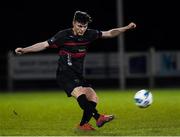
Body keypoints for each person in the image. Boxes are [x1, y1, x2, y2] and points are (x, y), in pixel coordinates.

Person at [15, 11, 136, 131]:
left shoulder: (89, 34)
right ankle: (98, 117)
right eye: (79, 26)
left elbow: (109, 33)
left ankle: (83, 125)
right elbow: (44, 44)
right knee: (80, 93)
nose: (82, 29)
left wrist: (126, 27)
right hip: (64, 74)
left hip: (78, 74)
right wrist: (25, 50)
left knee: (93, 97)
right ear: (73, 23)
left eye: (85, 26)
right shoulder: (63, 35)